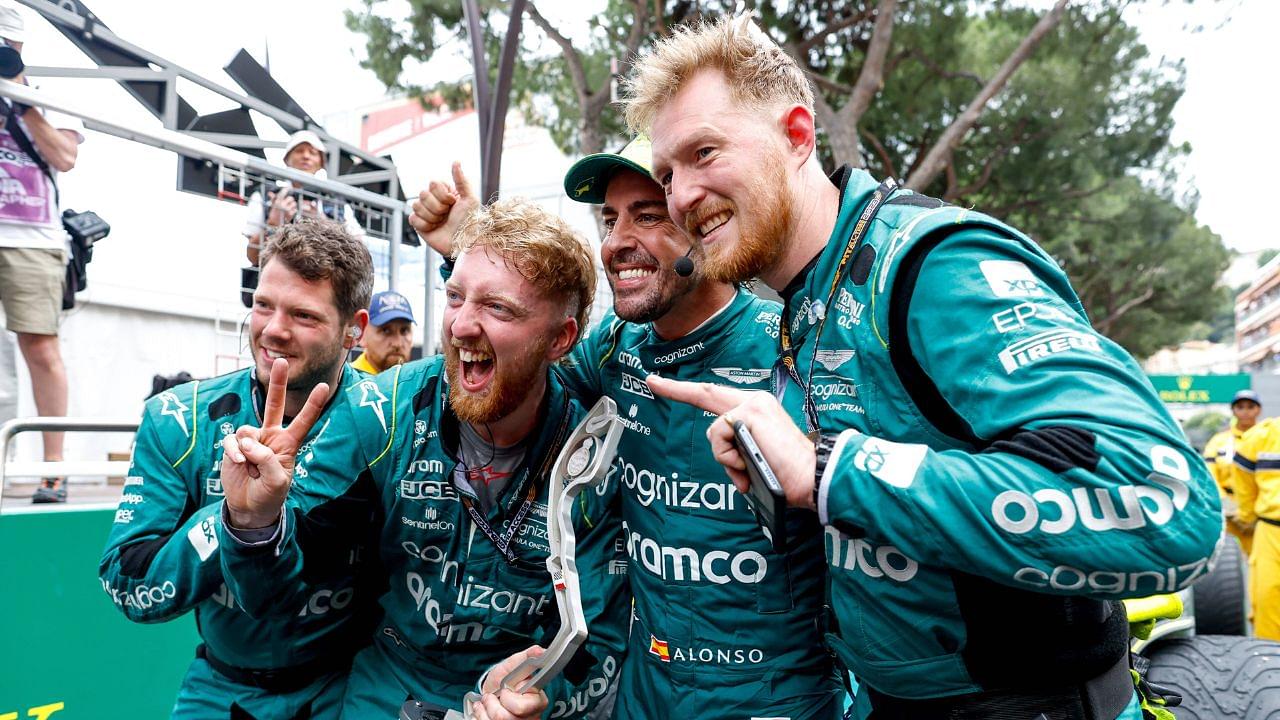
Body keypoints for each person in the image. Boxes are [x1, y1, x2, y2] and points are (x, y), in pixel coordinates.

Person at [624, 16, 1222, 719]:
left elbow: (1167, 507)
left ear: (797, 134)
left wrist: (831, 471)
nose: (682, 196)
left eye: (704, 152)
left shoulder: (934, 265)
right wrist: (782, 464)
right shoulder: (807, 297)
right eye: (668, 173)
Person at [412, 152, 843, 717]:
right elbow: (520, 357)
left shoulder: (794, 352)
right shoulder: (613, 351)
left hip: (777, 701)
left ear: (704, 224)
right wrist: (466, 252)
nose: (615, 242)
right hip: (645, 699)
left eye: (647, 215)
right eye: (610, 220)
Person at [217, 198, 629, 719]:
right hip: (389, 689)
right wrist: (254, 524)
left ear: (560, 338)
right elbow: (274, 600)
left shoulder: (593, 446)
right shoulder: (379, 413)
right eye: (455, 297)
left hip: (514, 695)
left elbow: (602, 640)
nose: (460, 327)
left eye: (498, 308)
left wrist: (547, 701)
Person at [99, 218, 381, 719]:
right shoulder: (179, 418)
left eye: (304, 315)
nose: (274, 329)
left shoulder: (389, 417)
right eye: (263, 305)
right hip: (220, 684)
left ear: (353, 331)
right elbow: (129, 585)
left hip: (348, 683)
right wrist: (234, 520)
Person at [0, 4, 84, 503]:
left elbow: (66, 157)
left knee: (41, 350)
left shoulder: (46, 94)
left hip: (31, 236)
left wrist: (21, 98)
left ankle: (55, 468)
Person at [240, 130, 360, 306]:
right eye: (299, 150)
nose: (306, 156)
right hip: (277, 292)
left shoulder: (337, 203)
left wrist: (322, 223)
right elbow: (252, 255)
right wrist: (274, 222)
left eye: (312, 152)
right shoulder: (266, 195)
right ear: (287, 159)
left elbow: (359, 251)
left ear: (321, 162)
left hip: (321, 292)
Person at [1232, 406, 1280, 640]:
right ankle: (1271, 665)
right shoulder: (1264, 435)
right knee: (1267, 600)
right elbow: (1243, 479)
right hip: (1271, 531)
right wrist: (1248, 515)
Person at [1205, 389, 1261, 554]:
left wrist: (1251, 512)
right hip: (1228, 513)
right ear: (1233, 410)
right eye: (1240, 406)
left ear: (1258, 410)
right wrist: (1228, 506)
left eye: (1250, 406)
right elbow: (1209, 474)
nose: (1245, 411)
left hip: (1258, 514)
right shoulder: (1219, 441)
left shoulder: (1267, 438)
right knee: (1228, 564)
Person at [351, 290, 415, 374]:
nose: (397, 344)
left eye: (404, 331)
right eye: (386, 331)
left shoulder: (419, 383)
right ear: (362, 336)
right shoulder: (347, 383)